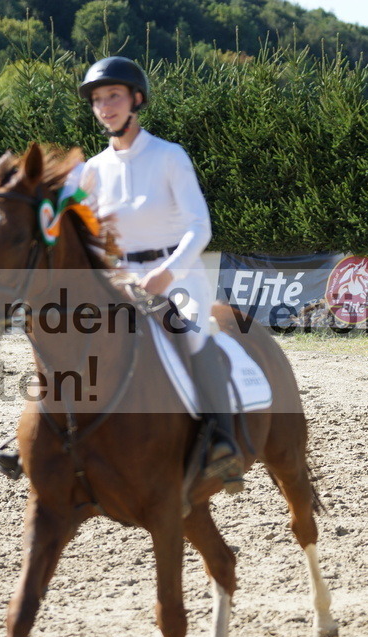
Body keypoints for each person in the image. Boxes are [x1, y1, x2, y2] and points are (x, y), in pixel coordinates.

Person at [78, 56, 244, 494]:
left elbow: (199, 227)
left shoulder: (170, 156)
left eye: (112, 95)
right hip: (121, 280)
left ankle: (221, 442)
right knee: (74, 334)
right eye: (97, 99)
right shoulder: (92, 171)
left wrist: (165, 276)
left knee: (190, 336)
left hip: (177, 275)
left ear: (136, 99)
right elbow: (88, 238)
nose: (105, 106)